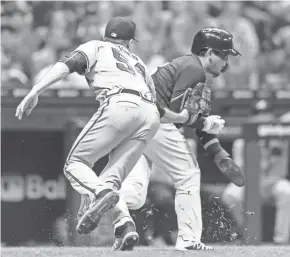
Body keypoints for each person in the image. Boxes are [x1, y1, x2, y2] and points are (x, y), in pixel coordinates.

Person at [15, 17, 201, 236]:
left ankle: (100, 193)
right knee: (112, 179)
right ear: (130, 41)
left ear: (106, 34)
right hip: (149, 115)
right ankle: (124, 225)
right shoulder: (139, 64)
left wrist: (36, 90)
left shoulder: (97, 46)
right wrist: (183, 118)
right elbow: (158, 110)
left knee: (75, 164)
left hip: (119, 104)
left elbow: (68, 64)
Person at [78, 28, 244, 251]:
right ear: (209, 52)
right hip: (152, 121)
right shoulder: (193, 68)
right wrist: (203, 123)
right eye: (223, 55)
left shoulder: (188, 67)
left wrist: (216, 150)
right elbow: (174, 113)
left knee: (135, 194)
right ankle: (188, 239)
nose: (225, 62)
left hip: (131, 121)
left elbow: (189, 115)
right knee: (188, 174)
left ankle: (98, 195)